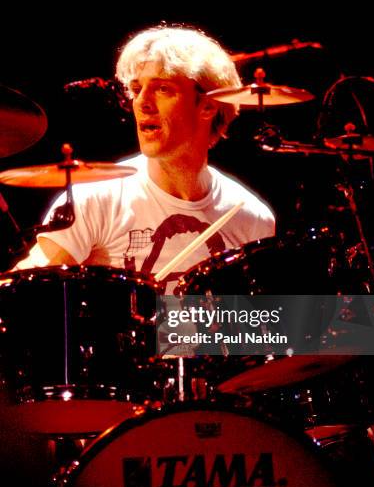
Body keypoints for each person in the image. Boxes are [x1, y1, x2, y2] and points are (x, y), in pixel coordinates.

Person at [14, 25, 275, 291]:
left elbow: (255, 324)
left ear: (208, 105)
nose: (142, 102)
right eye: (137, 89)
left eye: (163, 89)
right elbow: (25, 295)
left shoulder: (252, 219)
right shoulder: (96, 199)